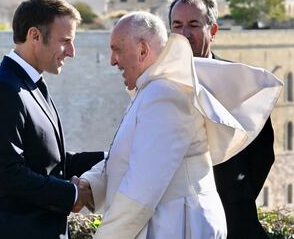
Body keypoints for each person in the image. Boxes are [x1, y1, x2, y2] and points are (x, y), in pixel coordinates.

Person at [75, 12, 281, 238]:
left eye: (117, 50)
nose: (112, 60)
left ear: (143, 50)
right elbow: (126, 155)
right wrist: (90, 185)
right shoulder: (153, 90)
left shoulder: (164, 95)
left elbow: (141, 191)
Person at [0, 0, 104, 239]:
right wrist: (72, 194)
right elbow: (9, 174)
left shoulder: (29, 84)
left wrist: (112, 158)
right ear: (35, 36)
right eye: (65, 41)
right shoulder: (4, 88)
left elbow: (51, 162)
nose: (71, 52)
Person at [168, 0, 274, 238]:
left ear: (213, 31)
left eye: (194, 24)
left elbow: (261, 156)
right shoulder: (159, 86)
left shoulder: (241, 83)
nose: (184, 34)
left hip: (234, 221)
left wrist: (235, 194)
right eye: (177, 25)